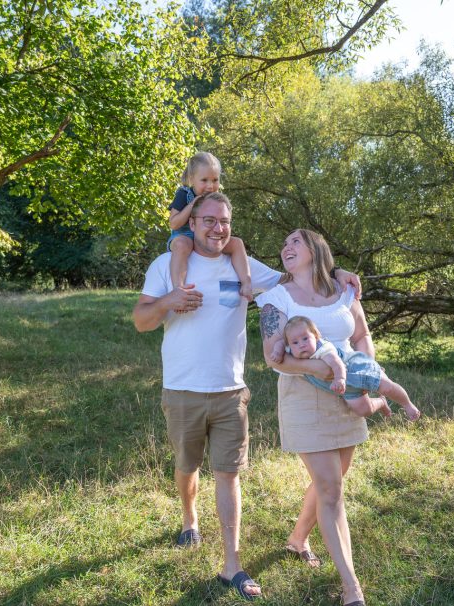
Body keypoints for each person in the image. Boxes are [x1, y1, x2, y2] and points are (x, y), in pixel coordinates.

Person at [133, 192, 362, 601]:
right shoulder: (167, 265)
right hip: (182, 388)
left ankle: (231, 566)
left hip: (230, 390)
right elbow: (141, 321)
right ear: (193, 221)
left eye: (224, 221)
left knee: (229, 473)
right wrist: (170, 301)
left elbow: (299, 277)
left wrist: (340, 270)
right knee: (187, 466)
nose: (217, 228)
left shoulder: (246, 268)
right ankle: (189, 519)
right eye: (209, 220)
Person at [256, 228, 388, 606]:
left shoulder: (345, 291)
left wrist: (367, 368)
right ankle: (352, 588)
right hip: (305, 393)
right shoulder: (275, 299)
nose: (286, 247)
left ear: (315, 249)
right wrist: (319, 369)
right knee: (331, 489)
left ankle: (297, 539)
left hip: (348, 390)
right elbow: (273, 356)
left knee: (332, 479)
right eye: (283, 244)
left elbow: (361, 334)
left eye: (294, 241)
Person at [274, 315, 421, 421]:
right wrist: (277, 350)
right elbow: (281, 342)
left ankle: (407, 404)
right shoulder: (291, 350)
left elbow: (337, 364)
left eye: (306, 338)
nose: (301, 344)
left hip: (355, 370)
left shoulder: (324, 349)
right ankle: (381, 402)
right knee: (363, 410)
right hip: (348, 388)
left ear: (316, 337)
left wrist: (340, 379)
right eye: (295, 342)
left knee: (387, 387)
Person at [167, 152, 253, 302]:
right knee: (182, 245)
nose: (210, 186)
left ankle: (246, 282)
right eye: (204, 180)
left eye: (215, 180)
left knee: (237, 243)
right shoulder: (184, 194)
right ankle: (178, 289)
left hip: (207, 239)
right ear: (192, 179)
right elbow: (174, 223)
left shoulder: (215, 197)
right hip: (184, 236)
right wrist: (192, 205)